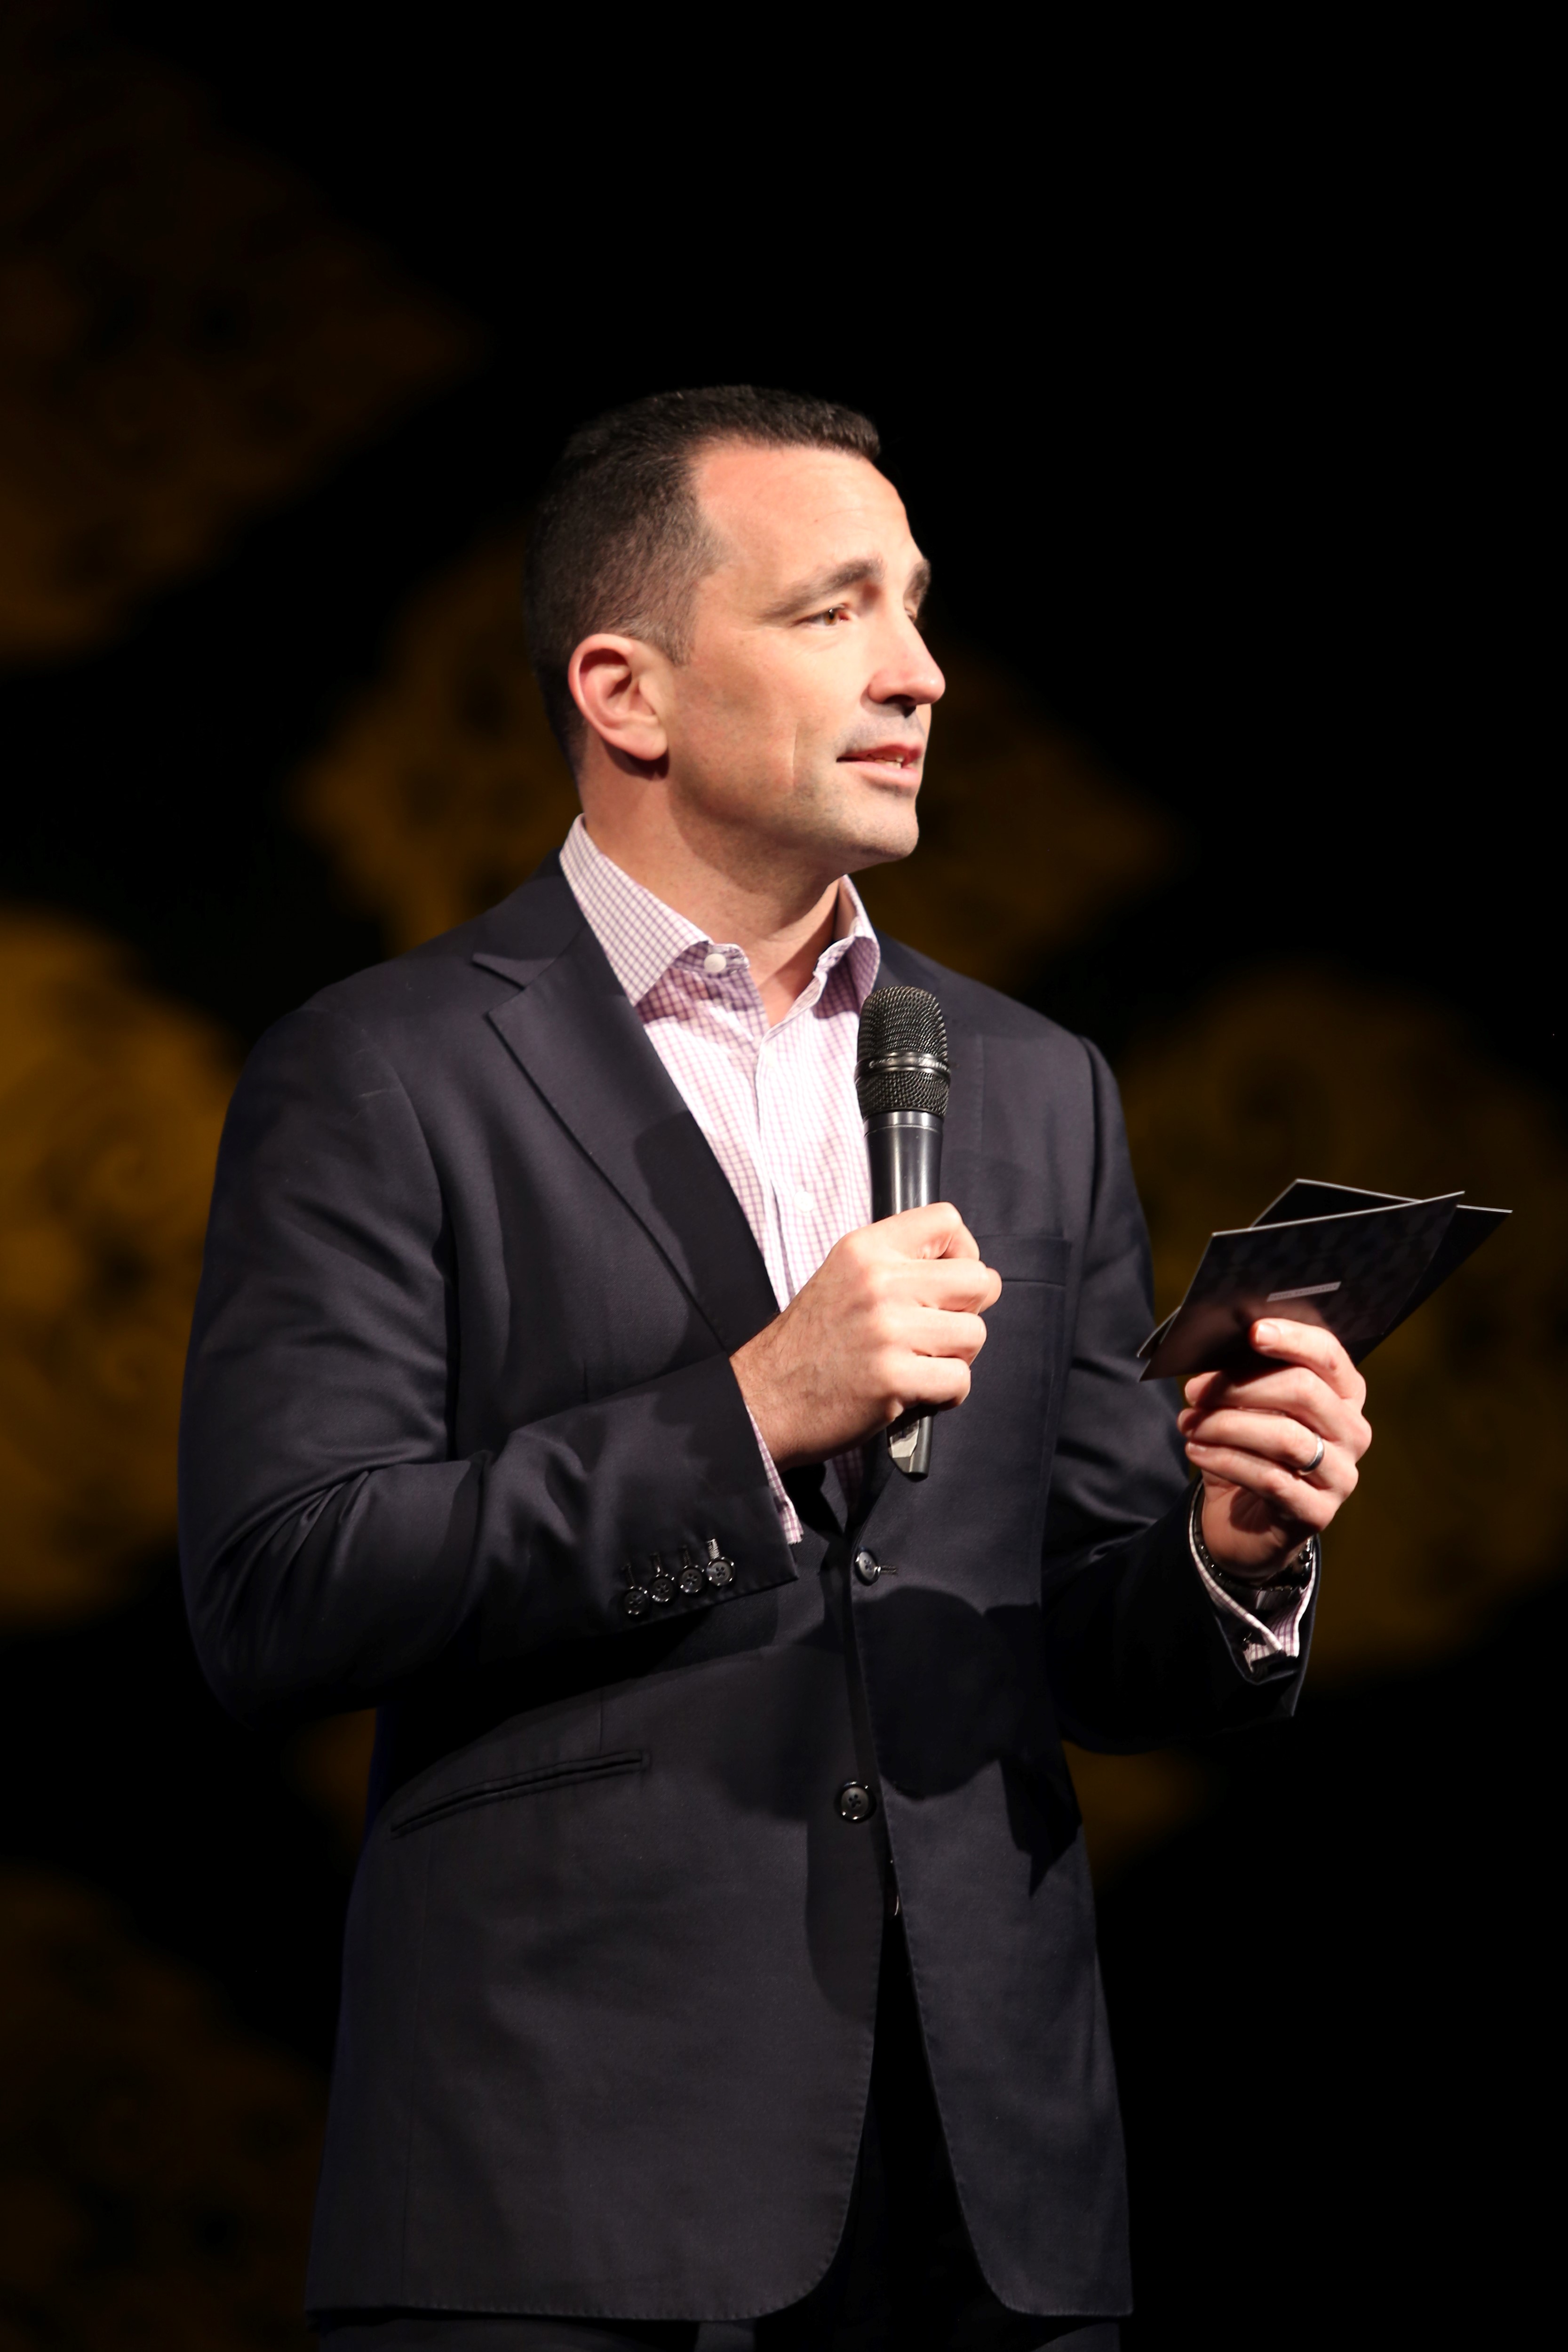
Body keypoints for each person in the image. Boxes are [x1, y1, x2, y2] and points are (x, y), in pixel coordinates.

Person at [179, 387, 1373, 2351]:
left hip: (988, 2200)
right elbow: (279, 1590)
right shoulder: (383, 1070)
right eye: (835, 611)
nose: (921, 672)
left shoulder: (1034, 1081)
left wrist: (1228, 1550)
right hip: (563, 2190)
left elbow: (1085, 1635)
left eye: (916, 607)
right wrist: (742, 1415)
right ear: (626, 691)